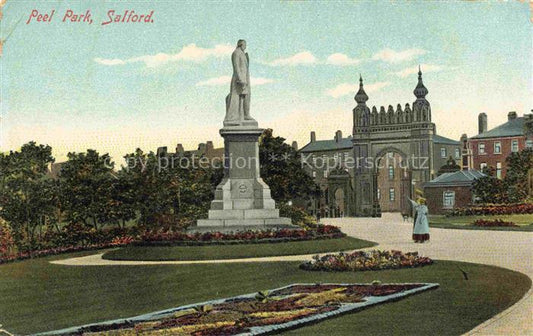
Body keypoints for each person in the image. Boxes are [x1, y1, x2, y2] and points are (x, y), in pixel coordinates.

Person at [224, 39, 254, 125]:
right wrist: (240, 79)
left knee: (244, 97)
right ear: (241, 44)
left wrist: (247, 59)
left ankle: (244, 116)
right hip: (239, 80)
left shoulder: (242, 54)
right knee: (236, 97)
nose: (245, 46)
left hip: (244, 79)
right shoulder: (236, 53)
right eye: (245, 45)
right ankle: (233, 117)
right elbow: (236, 66)